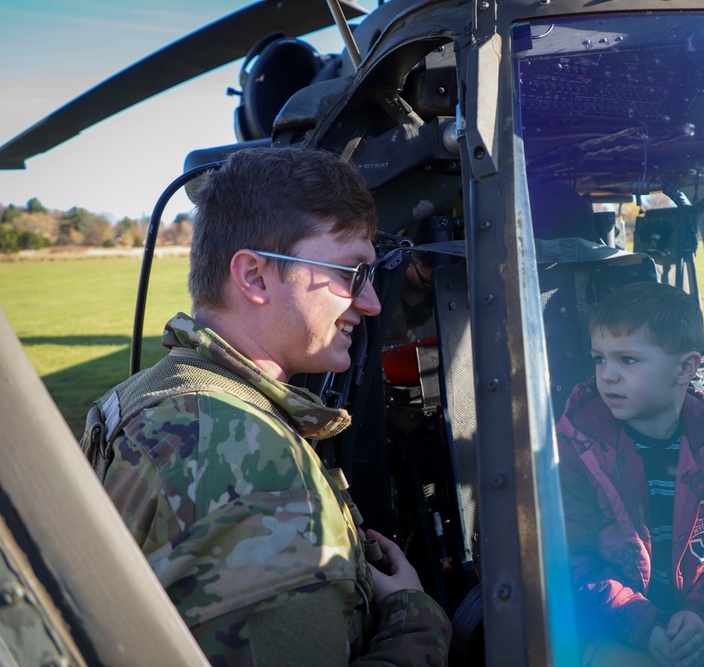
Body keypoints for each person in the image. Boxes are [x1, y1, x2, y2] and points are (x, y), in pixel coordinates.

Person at [81, 147, 451, 665]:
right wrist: (417, 623)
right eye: (350, 274)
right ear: (253, 276)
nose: (369, 305)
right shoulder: (240, 453)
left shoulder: (159, 391)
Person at [556, 282, 704, 667]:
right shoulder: (576, 445)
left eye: (627, 360)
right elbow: (568, 559)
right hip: (610, 626)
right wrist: (643, 626)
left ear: (685, 368)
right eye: (600, 359)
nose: (608, 375)